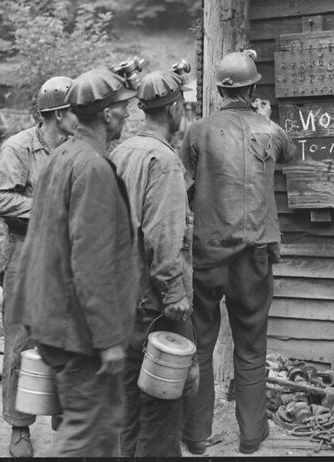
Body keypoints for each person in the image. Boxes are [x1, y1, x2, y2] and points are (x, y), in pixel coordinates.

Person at [5, 65, 139, 457]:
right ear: (107, 114)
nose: (128, 114)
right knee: (86, 432)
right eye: (123, 107)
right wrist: (109, 340)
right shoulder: (93, 167)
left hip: (55, 319)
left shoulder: (63, 156)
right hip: (78, 331)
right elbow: (91, 261)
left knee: (98, 426)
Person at [180, 50, 295, 455]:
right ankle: (251, 437)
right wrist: (265, 116)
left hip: (208, 257)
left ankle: (195, 436)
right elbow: (290, 152)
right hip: (255, 259)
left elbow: (185, 187)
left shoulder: (197, 132)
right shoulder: (270, 131)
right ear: (253, 87)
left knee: (201, 347)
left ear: (219, 90)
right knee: (251, 347)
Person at [0, 76, 76, 457]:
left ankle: (63, 416)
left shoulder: (77, 148)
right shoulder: (19, 148)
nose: (81, 116)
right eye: (75, 110)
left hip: (67, 261)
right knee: (21, 343)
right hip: (24, 256)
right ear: (57, 114)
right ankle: (19, 426)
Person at [110, 69, 194, 457]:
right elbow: (162, 237)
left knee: (127, 396)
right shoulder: (164, 161)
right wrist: (174, 292)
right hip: (153, 302)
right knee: (161, 400)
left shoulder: (120, 151)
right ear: (175, 109)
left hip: (119, 296)